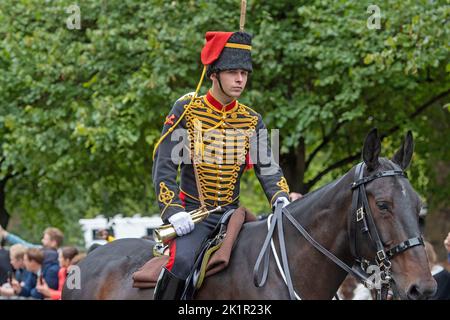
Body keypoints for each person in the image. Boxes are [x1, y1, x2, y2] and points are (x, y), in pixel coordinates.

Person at [152, 31, 291, 300]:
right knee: (180, 264)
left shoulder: (251, 120)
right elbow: (165, 164)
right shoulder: (187, 109)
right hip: (194, 217)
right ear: (214, 73)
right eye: (232, 72)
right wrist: (173, 211)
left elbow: (268, 167)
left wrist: (281, 198)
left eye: (245, 73)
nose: (240, 79)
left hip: (233, 216)